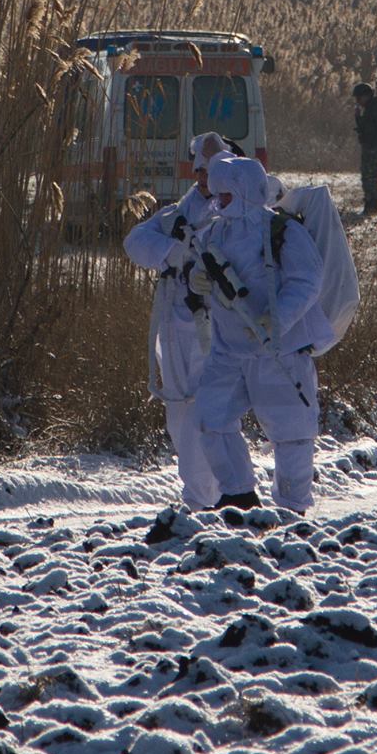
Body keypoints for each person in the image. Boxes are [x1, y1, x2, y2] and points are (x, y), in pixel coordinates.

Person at [191, 154, 335, 512]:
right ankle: (237, 494)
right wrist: (198, 281)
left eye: (226, 195)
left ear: (244, 192)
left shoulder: (282, 232)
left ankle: (292, 506)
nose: (219, 202)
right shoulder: (214, 232)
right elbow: (203, 273)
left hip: (278, 350)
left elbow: (307, 280)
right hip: (228, 350)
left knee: (291, 430)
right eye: (218, 195)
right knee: (211, 416)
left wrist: (277, 319)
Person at [123, 132, 232, 509]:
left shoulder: (236, 215)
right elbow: (135, 242)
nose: (204, 178)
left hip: (216, 329)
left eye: (212, 170)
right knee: (179, 417)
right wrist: (173, 253)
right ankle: (205, 495)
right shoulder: (176, 216)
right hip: (175, 330)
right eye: (200, 171)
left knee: (209, 415)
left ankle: (212, 496)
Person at [352, 83, 377, 217]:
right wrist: (358, 117)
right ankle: (370, 206)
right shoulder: (370, 108)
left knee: (371, 177)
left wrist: (375, 148)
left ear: (367, 96)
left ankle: (373, 207)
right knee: (366, 176)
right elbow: (365, 128)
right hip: (369, 147)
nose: (358, 101)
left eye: (359, 98)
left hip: (373, 148)